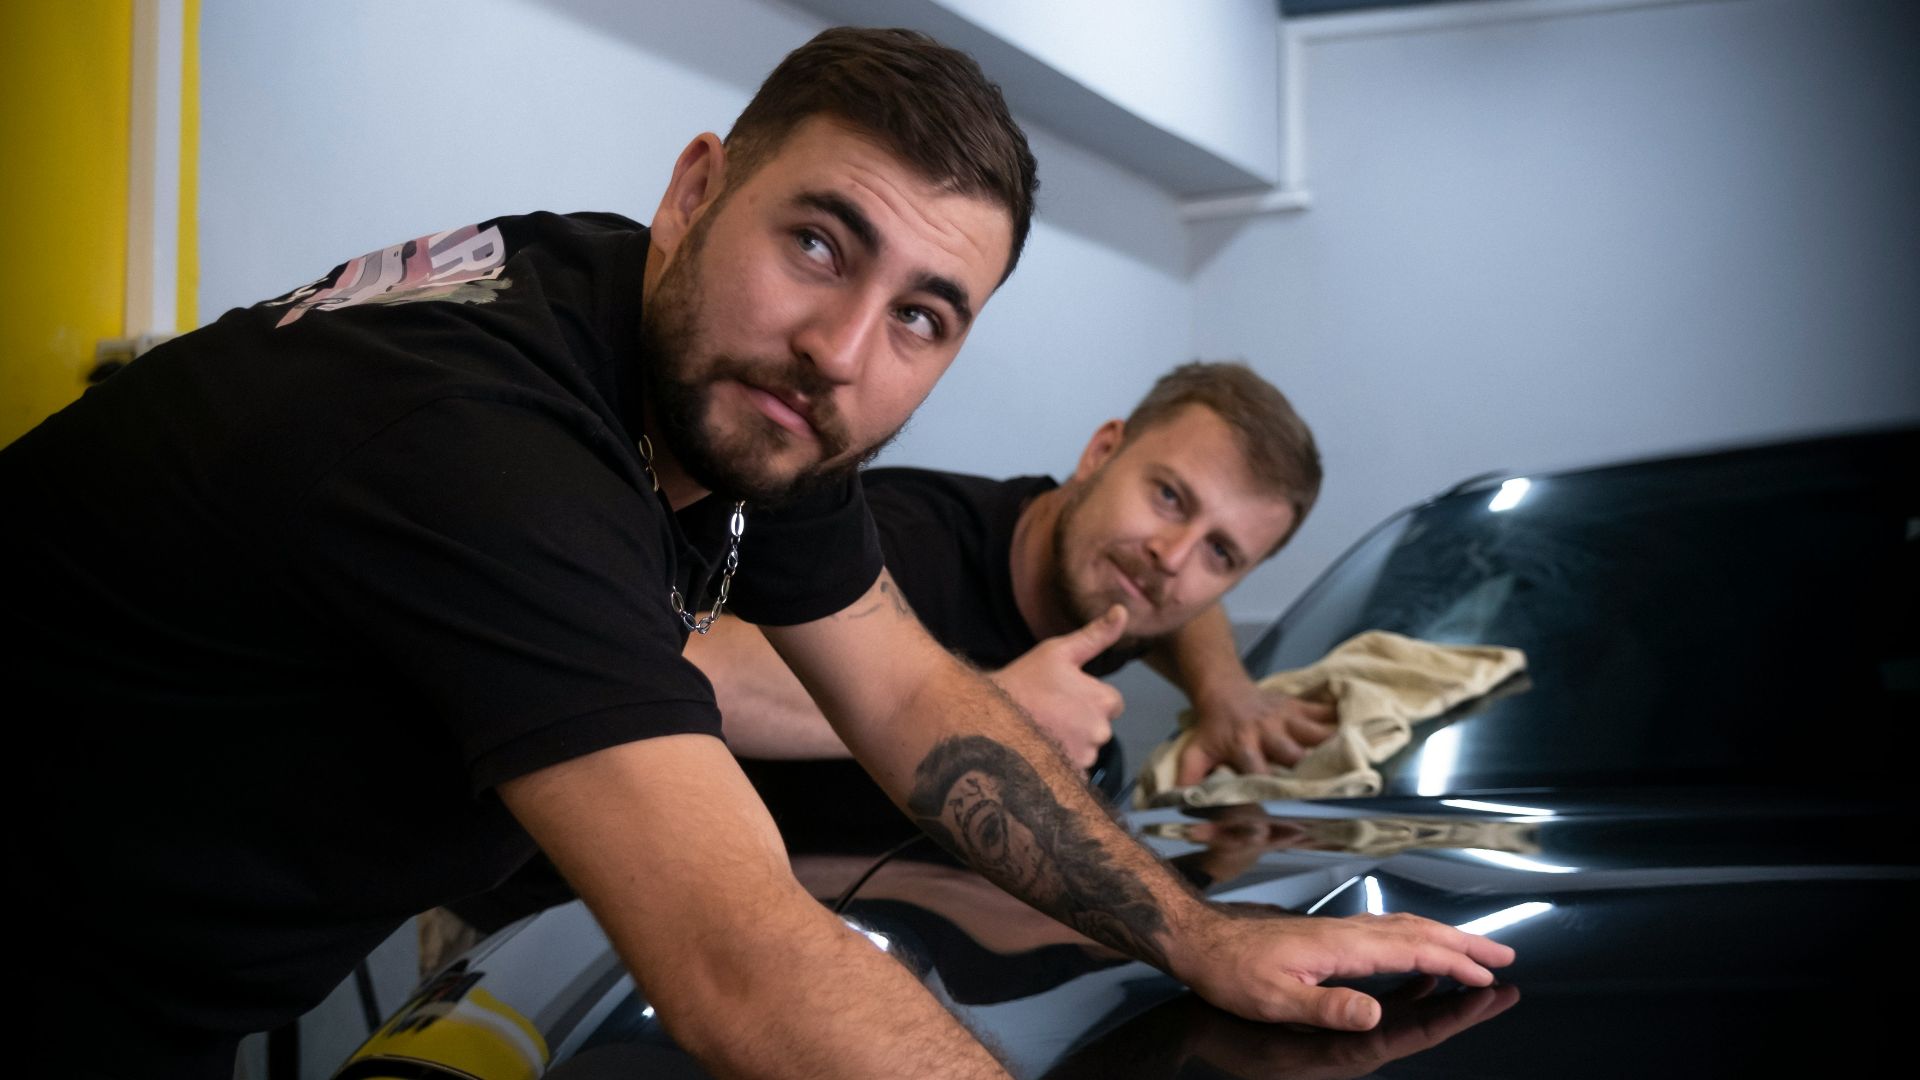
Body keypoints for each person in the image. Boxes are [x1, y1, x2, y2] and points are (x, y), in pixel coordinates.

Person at [4, 27, 1510, 1080]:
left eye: (923, 314)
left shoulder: (729, 394)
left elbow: (918, 702)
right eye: (819, 242)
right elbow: (739, 968)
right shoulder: (486, 442)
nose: (842, 349)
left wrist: (1199, 938)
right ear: (695, 191)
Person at [702, 362, 1340, 850]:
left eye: (1221, 554)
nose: (1173, 557)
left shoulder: (1124, 577)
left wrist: (1226, 693)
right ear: (1101, 453)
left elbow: (1185, 609)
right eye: (1169, 496)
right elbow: (696, 672)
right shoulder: (896, 545)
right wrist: (990, 706)